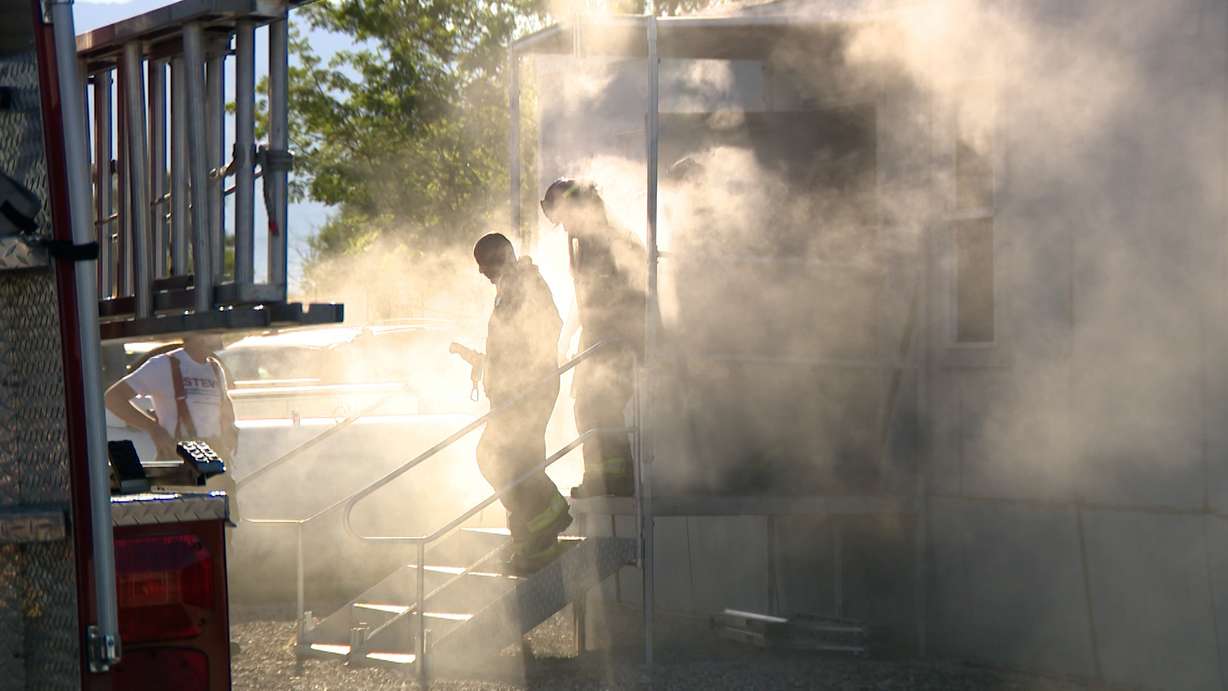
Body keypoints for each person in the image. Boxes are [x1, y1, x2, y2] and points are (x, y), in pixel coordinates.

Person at [453, 233, 571, 573]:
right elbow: (506, 348)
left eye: (485, 264)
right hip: (511, 393)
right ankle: (531, 541)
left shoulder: (527, 284)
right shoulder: (507, 289)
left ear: (502, 256)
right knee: (505, 461)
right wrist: (479, 360)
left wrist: (523, 373)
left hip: (528, 392)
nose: (482, 272)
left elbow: (549, 328)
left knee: (508, 461)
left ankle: (548, 515)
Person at [540, 178, 645, 498]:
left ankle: (610, 482)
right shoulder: (585, 240)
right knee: (591, 407)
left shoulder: (603, 241)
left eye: (563, 217)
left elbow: (621, 294)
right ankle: (608, 480)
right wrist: (568, 336)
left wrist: (624, 339)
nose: (563, 226)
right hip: (599, 339)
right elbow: (584, 297)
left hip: (613, 340)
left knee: (597, 407)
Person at [104, 334, 239, 510]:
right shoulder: (162, 365)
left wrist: (229, 430)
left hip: (214, 462)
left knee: (225, 518)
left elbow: (225, 406)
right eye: (214, 331)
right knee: (186, 516)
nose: (220, 335)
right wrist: (153, 429)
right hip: (179, 467)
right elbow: (113, 398)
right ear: (198, 335)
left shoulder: (214, 368)